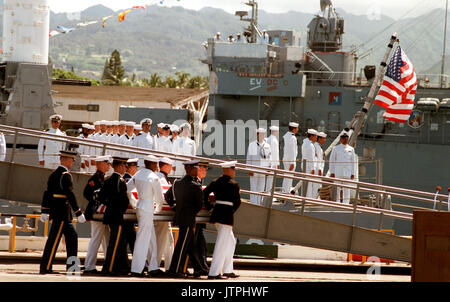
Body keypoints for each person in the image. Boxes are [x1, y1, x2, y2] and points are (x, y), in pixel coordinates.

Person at [39, 150, 86, 274]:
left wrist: (45, 210)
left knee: (72, 237)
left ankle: (72, 267)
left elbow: (47, 193)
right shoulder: (65, 175)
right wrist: (78, 212)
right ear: (65, 160)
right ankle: (46, 267)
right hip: (61, 212)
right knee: (54, 241)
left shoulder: (54, 174)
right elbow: (69, 194)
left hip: (61, 213)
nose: (72, 162)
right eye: (71, 160)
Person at [165, 160, 208, 278]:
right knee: (182, 244)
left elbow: (167, 196)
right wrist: (191, 212)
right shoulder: (195, 185)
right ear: (190, 169)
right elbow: (199, 204)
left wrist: (176, 208)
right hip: (189, 218)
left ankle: (198, 268)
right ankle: (174, 269)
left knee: (190, 243)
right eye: (196, 168)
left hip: (180, 216)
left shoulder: (177, 183)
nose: (197, 170)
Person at [127, 155, 164, 277]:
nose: (157, 166)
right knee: (143, 238)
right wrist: (158, 209)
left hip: (140, 205)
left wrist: (133, 202)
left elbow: (127, 189)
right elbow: (159, 198)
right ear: (152, 164)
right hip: (148, 208)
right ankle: (137, 268)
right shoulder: (153, 178)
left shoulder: (138, 174)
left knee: (151, 237)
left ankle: (153, 266)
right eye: (156, 164)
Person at [203, 161, 241, 279]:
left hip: (217, 213)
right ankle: (214, 273)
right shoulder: (234, 184)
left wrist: (209, 206)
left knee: (230, 241)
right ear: (228, 170)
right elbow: (237, 202)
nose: (234, 171)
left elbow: (204, 193)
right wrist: (231, 210)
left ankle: (227, 269)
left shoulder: (216, 182)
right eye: (233, 169)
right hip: (226, 215)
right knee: (222, 244)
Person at [99, 157, 131, 276]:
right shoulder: (120, 181)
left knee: (118, 242)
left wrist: (110, 204)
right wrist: (119, 208)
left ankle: (120, 267)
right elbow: (124, 201)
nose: (125, 168)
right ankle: (109, 268)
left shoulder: (107, 180)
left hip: (110, 215)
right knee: (114, 243)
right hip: (117, 216)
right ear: (119, 166)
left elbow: (101, 197)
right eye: (124, 166)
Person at [83, 155, 111, 275]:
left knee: (106, 239)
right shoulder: (95, 178)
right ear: (100, 164)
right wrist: (97, 200)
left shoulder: (102, 178)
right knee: (96, 239)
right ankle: (89, 266)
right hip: (96, 212)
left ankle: (108, 263)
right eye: (107, 163)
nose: (109, 165)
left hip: (102, 213)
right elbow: (87, 193)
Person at [155, 157, 175, 271]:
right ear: (166, 166)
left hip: (163, 215)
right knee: (161, 240)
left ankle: (170, 266)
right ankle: (155, 265)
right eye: (170, 166)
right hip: (161, 214)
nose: (171, 168)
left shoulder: (162, 177)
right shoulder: (161, 178)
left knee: (169, 241)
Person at [329, 131, 356, 204]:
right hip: (338, 172)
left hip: (347, 172)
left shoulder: (351, 149)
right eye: (343, 138)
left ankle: (346, 203)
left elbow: (353, 162)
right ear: (340, 139)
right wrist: (332, 172)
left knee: (347, 189)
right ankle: (337, 202)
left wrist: (353, 173)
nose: (345, 139)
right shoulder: (336, 148)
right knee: (337, 188)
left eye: (346, 138)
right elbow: (332, 160)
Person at [246, 128, 272, 205]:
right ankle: (254, 203)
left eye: (262, 134)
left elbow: (269, 158)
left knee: (261, 188)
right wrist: (249, 169)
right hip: (254, 170)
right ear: (257, 135)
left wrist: (269, 169)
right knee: (254, 188)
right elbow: (249, 158)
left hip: (263, 170)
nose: (261, 136)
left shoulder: (267, 145)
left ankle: (259, 203)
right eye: (259, 134)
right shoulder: (252, 145)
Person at [193, 161, 210, 273]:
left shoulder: (199, 181)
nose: (205, 171)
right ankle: (200, 266)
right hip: (195, 218)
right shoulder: (195, 182)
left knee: (201, 244)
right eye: (204, 169)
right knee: (196, 243)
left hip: (198, 219)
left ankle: (202, 266)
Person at [122, 158, 138, 254]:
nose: (136, 169)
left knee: (126, 240)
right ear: (130, 168)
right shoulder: (129, 180)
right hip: (128, 212)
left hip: (124, 213)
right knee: (132, 238)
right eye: (135, 167)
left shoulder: (124, 178)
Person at [282, 122, 299, 193]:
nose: (297, 129)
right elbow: (292, 150)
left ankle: (285, 192)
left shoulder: (287, 136)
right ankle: (286, 193)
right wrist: (292, 162)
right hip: (290, 161)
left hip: (286, 159)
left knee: (286, 177)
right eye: (297, 128)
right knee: (289, 178)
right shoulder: (292, 138)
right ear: (294, 129)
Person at [301, 129, 318, 198]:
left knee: (305, 183)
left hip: (305, 166)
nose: (316, 138)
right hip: (309, 167)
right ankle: (308, 198)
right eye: (315, 136)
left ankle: (305, 197)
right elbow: (311, 158)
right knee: (309, 184)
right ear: (312, 136)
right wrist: (312, 168)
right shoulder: (310, 145)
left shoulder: (305, 143)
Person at [265, 125, 280, 192]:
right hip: (273, 164)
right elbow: (275, 153)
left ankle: (267, 195)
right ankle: (269, 196)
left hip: (268, 163)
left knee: (269, 181)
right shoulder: (274, 140)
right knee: (270, 181)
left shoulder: (268, 139)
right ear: (275, 132)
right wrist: (277, 164)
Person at [313, 132, 327, 198]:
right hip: (317, 170)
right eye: (324, 138)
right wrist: (319, 169)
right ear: (320, 139)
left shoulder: (318, 146)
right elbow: (317, 159)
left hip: (318, 170)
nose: (325, 140)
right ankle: (315, 198)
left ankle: (316, 198)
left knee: (317, 185)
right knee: (317, 185)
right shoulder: (317, 147)